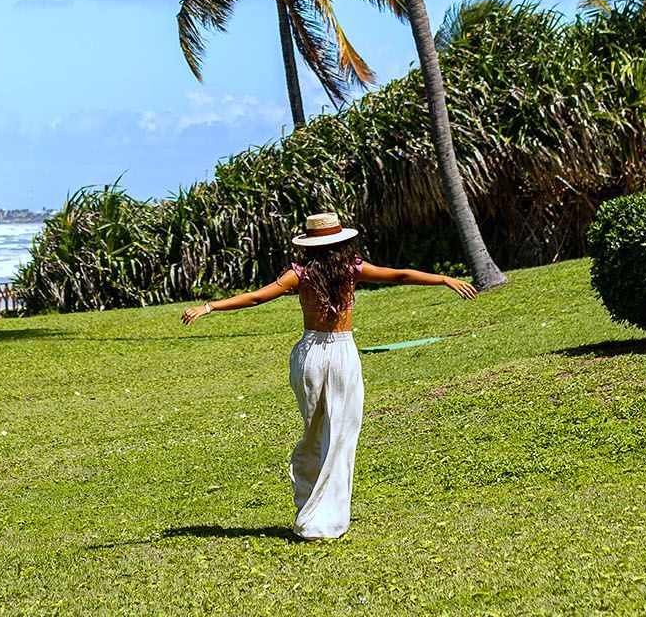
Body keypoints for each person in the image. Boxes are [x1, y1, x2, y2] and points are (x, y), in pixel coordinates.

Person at [180, 211, 478, 540]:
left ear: (309, 245)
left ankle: (311, 508)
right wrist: (444, 279)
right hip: (341, 354)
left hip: (308, 355)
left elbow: (257, 297)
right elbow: (399, 276)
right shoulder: (353, 270)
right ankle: (323, 518)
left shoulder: (300, 274)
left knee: (315, 432)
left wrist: (209, 307)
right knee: (341, 435)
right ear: (343, 242)